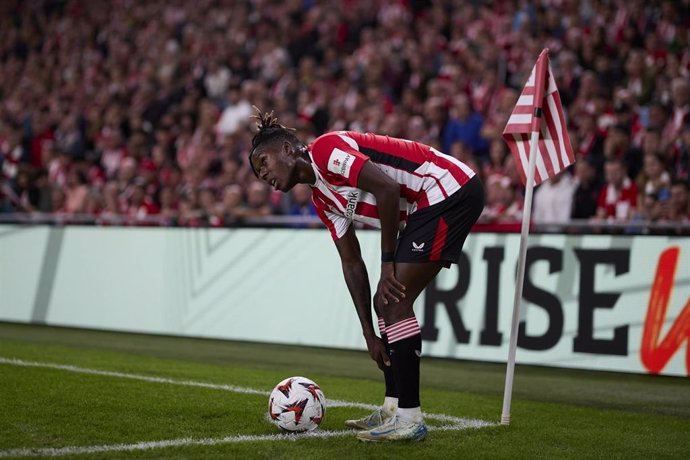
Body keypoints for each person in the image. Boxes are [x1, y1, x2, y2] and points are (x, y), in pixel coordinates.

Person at [248, 109, 485, 442]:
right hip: (425, 205)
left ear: (287, 149)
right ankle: (392, 408)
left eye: (264, 164)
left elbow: (387, 189)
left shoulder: (327, 151)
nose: (264, 177)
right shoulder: (321, 199)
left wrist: (388, 263)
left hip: (447, 189)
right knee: (384, 302)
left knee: (394, 300)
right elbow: (351, 262)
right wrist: (368, 333)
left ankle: (409, 417)